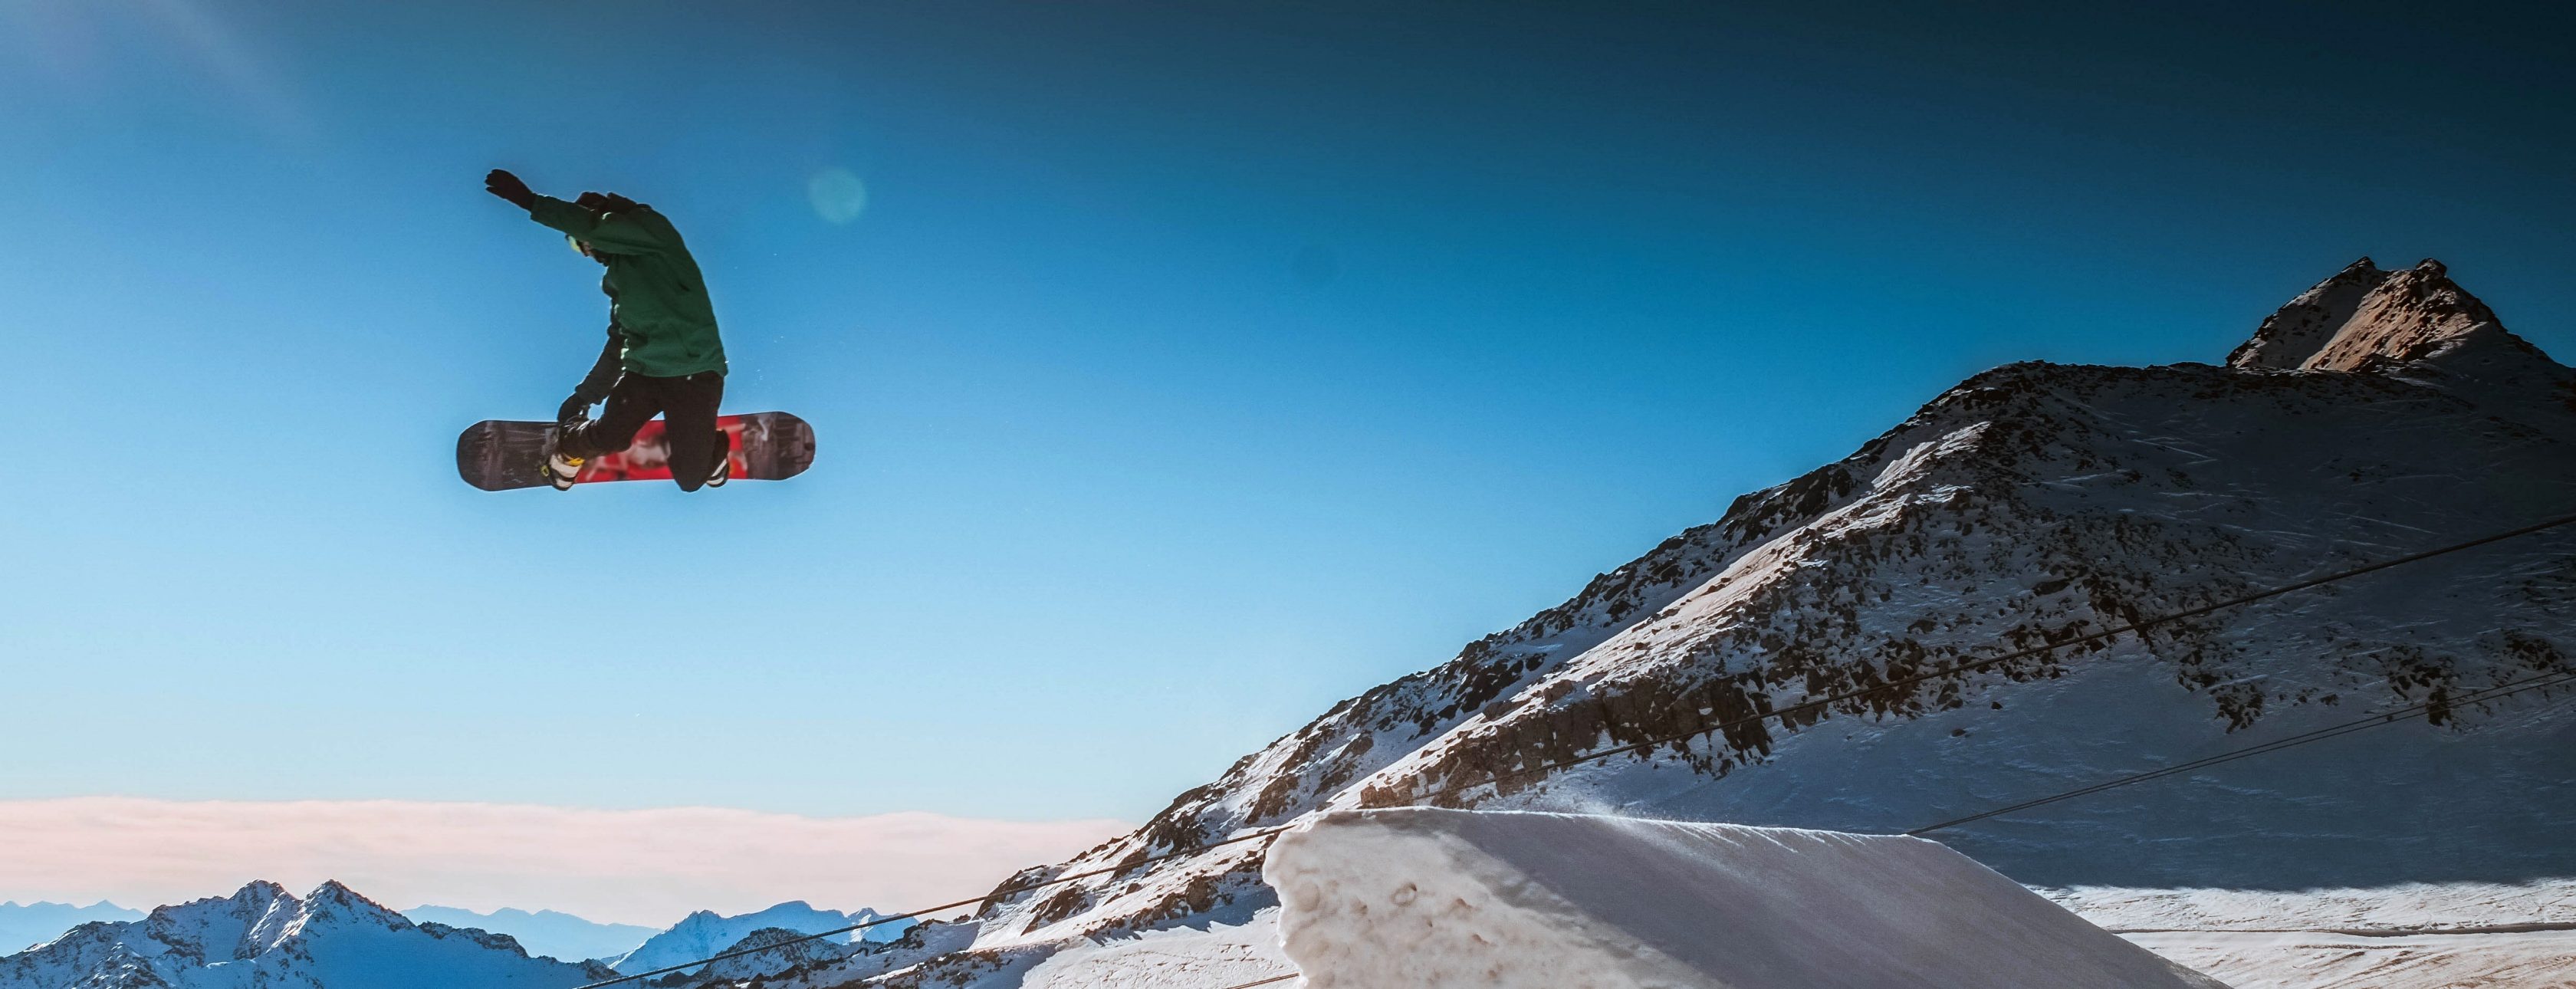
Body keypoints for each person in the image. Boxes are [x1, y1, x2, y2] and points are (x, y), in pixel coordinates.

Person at [483, 169, 731, 491]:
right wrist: (584, 396)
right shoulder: (617, 282)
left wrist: (530, 201)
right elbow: (618, 346)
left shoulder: (654, 233)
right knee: (608, 437)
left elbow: (595, 228)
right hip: (645, 375)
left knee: (690, 480)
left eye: (578, 243)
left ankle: (709, 451)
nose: (585, 252)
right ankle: (568, 448)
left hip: (694, 373)